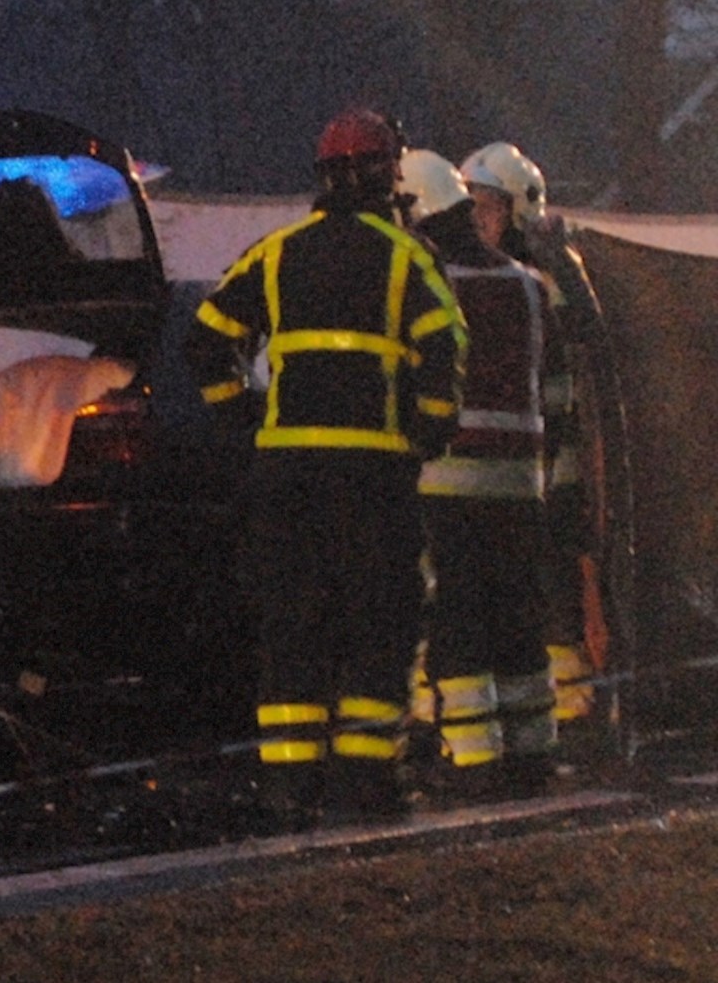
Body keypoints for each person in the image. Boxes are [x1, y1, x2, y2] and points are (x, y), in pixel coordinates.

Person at [184, 108, 467, 826]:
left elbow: (205, 340)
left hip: (285, 480)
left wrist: (243, 419)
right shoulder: (406, 257)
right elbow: (446, 344)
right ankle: (367, 783)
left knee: (293, 625)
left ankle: (290, 782)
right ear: (384, 173)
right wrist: (428, 430)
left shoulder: (276, 254)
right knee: (380, 621)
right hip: (373, 479)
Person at [400, 148, 569, 795]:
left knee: (457, 625)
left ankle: (471, 760)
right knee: (519, 621)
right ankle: (533, 749)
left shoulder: (430, 283)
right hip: (522, 483)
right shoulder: (530, 286)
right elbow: (554, 393)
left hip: (447, 481)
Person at [460, 142, 597, 735]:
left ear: (516, 211)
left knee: (552, 581)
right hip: (512, 460)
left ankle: (572, 704)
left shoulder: (547, 275)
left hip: (555, 461)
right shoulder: (483, 276)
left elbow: (578, 340)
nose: (475, 221)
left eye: (487, 208)